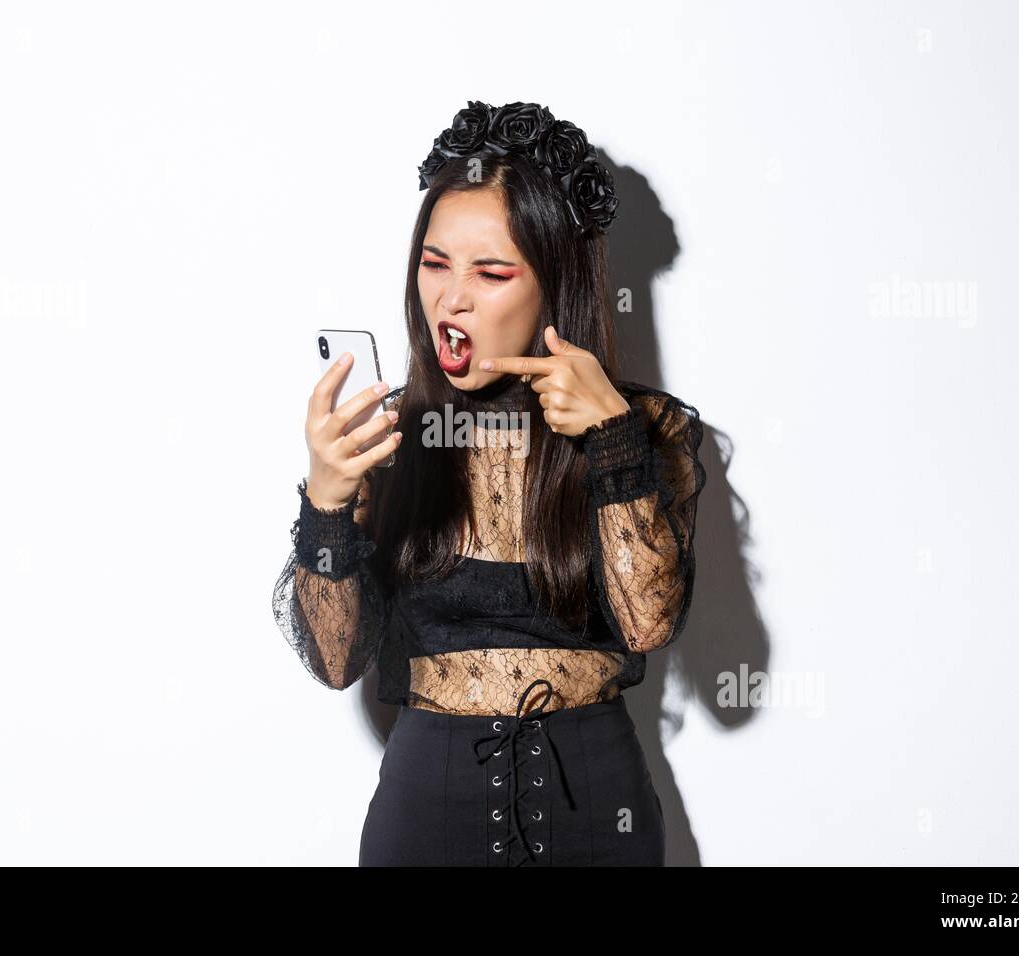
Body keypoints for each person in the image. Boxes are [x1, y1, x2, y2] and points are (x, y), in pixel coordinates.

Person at [272, 100, 707, 866]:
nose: (452, 297)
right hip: (425, 819)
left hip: (600, 820)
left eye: (492, 272)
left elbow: (648, 624)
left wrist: (611, 443)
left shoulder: (646, 430)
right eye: (434, 263)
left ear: (554, 285)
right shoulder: (386, 438)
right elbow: (336, 661)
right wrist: (329, 507)